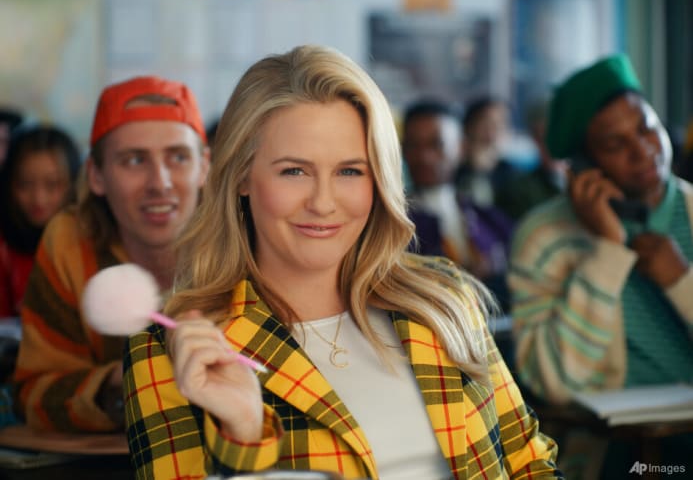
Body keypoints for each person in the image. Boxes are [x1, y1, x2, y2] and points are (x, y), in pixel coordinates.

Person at [124, 45, 561, 479]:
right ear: (241, 175)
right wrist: (243, 436)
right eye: (294, 171)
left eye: (350, 171)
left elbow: (530, 464)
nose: (323, 202)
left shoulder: (445, 297)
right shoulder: (174, 345)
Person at [509, 55, 692, 476]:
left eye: (646, 127)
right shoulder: (544, 238)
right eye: (615, 145)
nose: (643, 150)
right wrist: (607, 252)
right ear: (584, 168)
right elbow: (554, 383)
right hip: (613, 452)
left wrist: (682, 281)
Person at [12, 76, 210, 432]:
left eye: (179, 157)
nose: (160, 183)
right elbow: (32, 395)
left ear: (204, 167)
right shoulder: (70, 243)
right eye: (134, 160)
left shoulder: (248, 241)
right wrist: (127, 379)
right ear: (96, 175)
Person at [401, 99, 513, 310]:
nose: (424, 157)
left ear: (461, 147)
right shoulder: (392, 222)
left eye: (437, 144)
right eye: (413, 145)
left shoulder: (487, 217)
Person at [0, 125, 81, 318]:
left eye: (52, 185)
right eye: (25, 184)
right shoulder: (4, 249)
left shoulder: (92, 241)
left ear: (74, 185)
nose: (38, 199)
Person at [496, 99, 567, 221]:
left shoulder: (591, 181)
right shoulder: (519, 191)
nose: (551, 145)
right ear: (534, 139)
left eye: (557, 135)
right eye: (542, 138)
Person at [454, 96, 520, 210]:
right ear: (468, 128)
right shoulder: (451, 172)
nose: (492, 133)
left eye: (501, 124)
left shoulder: (514, 175)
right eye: (486, 124)